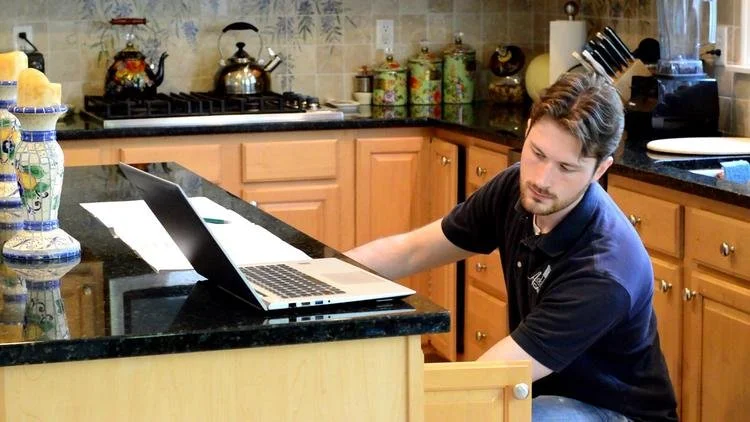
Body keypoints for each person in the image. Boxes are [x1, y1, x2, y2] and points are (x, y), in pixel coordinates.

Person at [345, 72, 678, 421]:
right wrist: (317, 273)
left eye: (566, 168)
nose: (541, 180)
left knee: (524, 415)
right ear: (529, 127)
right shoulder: (515, 189)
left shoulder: (603, 271)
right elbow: (413, 250)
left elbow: (483, 384)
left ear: (600, 170)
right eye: (537, 153)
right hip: (545, 393)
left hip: (617, 414)